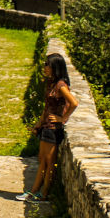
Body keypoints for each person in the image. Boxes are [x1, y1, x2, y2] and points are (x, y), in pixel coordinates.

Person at [18, 52, 78, 203]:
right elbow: (47, 108)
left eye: (47, 65)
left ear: (55, 67)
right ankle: (34, 192)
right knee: (42, 160)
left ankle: (42, 194)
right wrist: (38, 124)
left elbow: (74, 103)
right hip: (46, 127)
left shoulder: (61, 86)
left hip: (53, 129)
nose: (45, 67)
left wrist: (62, 118)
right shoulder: (51, 83)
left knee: (48, 163)